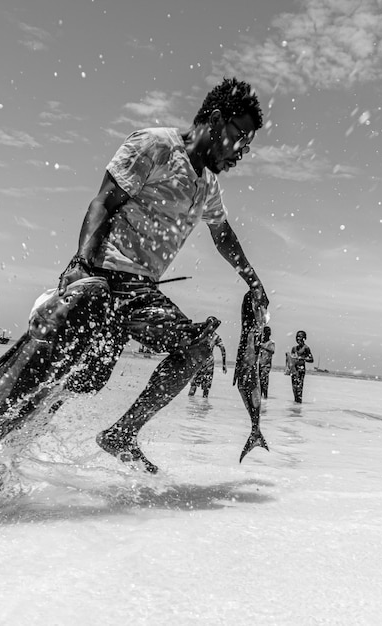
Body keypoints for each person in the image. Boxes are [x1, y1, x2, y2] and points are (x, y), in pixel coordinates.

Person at [56, 77, 268, 473]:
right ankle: (10, 442)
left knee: (92, 376)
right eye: (239, 137)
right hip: (105, 278)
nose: (241, 151)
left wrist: (253, 281)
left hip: (140, 289)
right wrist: (81, 267)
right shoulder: (155, 145)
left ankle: (119, 433)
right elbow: (103, 200)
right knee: (79, 376)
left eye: (248, 144)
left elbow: (221, 233)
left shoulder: (208, 184)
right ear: (216, 120)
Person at [188, 333, 227, 398]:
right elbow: (223, 349)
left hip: (199, 361)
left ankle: (189, 404)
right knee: (206, 388)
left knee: (194, 385)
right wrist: (224, 364)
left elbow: (191, 346)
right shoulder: (215, 336)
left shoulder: (201, 333)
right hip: (209, 363)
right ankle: (204, 405)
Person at [290, 330, 313, 403]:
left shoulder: (306, 348)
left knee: (299, 389)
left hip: (301, 371)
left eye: (300, 336)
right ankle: (296, 407)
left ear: (304, 338)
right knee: (294, 389)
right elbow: (291, 360)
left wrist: (302, 358)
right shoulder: (294, 348)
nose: (298, 338)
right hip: (294, 371)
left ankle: (299, 403)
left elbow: (311, 359)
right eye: (297, 336)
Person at [258, 326, 275, 399]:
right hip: (259, 364)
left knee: (264, 381)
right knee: (259, 381)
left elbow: (272, 350)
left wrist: (262, 346)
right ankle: (260, 396)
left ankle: (265, 396)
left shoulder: (271, 343)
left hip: (266, 365)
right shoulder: (260, 342)